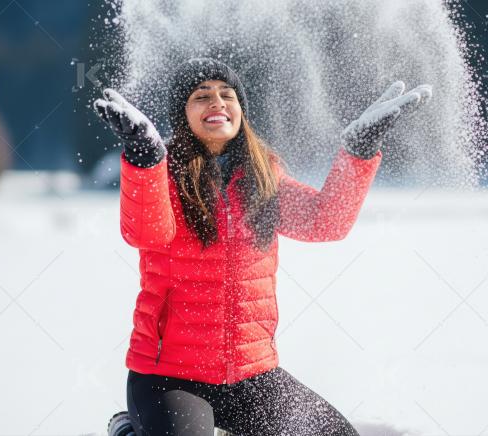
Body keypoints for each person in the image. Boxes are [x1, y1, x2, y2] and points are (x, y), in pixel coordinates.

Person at [95, 58, 432, 436]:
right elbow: (146, 233)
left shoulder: (263, 177)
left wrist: (359, 151)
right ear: (181, 114)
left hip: (251, 374)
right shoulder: (165, 176)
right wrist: (145, 158)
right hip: (170, 378)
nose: (217, 102)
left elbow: (325, 221)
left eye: (228, 94)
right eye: (201, 96)